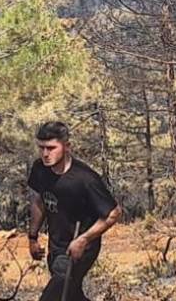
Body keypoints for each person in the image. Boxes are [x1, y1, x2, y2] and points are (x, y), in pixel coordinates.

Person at [27, 121, 123, 301]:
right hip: (56, 246)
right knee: (71, 295)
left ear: (67, 146)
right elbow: (39, 201)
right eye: (41, 148)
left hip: (81, 247)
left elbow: (114, 212)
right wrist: (32, 237)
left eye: (51, 148)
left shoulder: (85, 179)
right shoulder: (39, 169)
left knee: (52, 296)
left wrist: (84, 239)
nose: (45, 154)